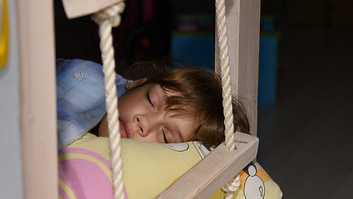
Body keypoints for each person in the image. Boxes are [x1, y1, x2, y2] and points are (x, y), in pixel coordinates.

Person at [56, 58, 250, 150]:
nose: (143, 122)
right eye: (151, 100)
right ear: (136, 84)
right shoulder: (88, 82)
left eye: (165, 136)